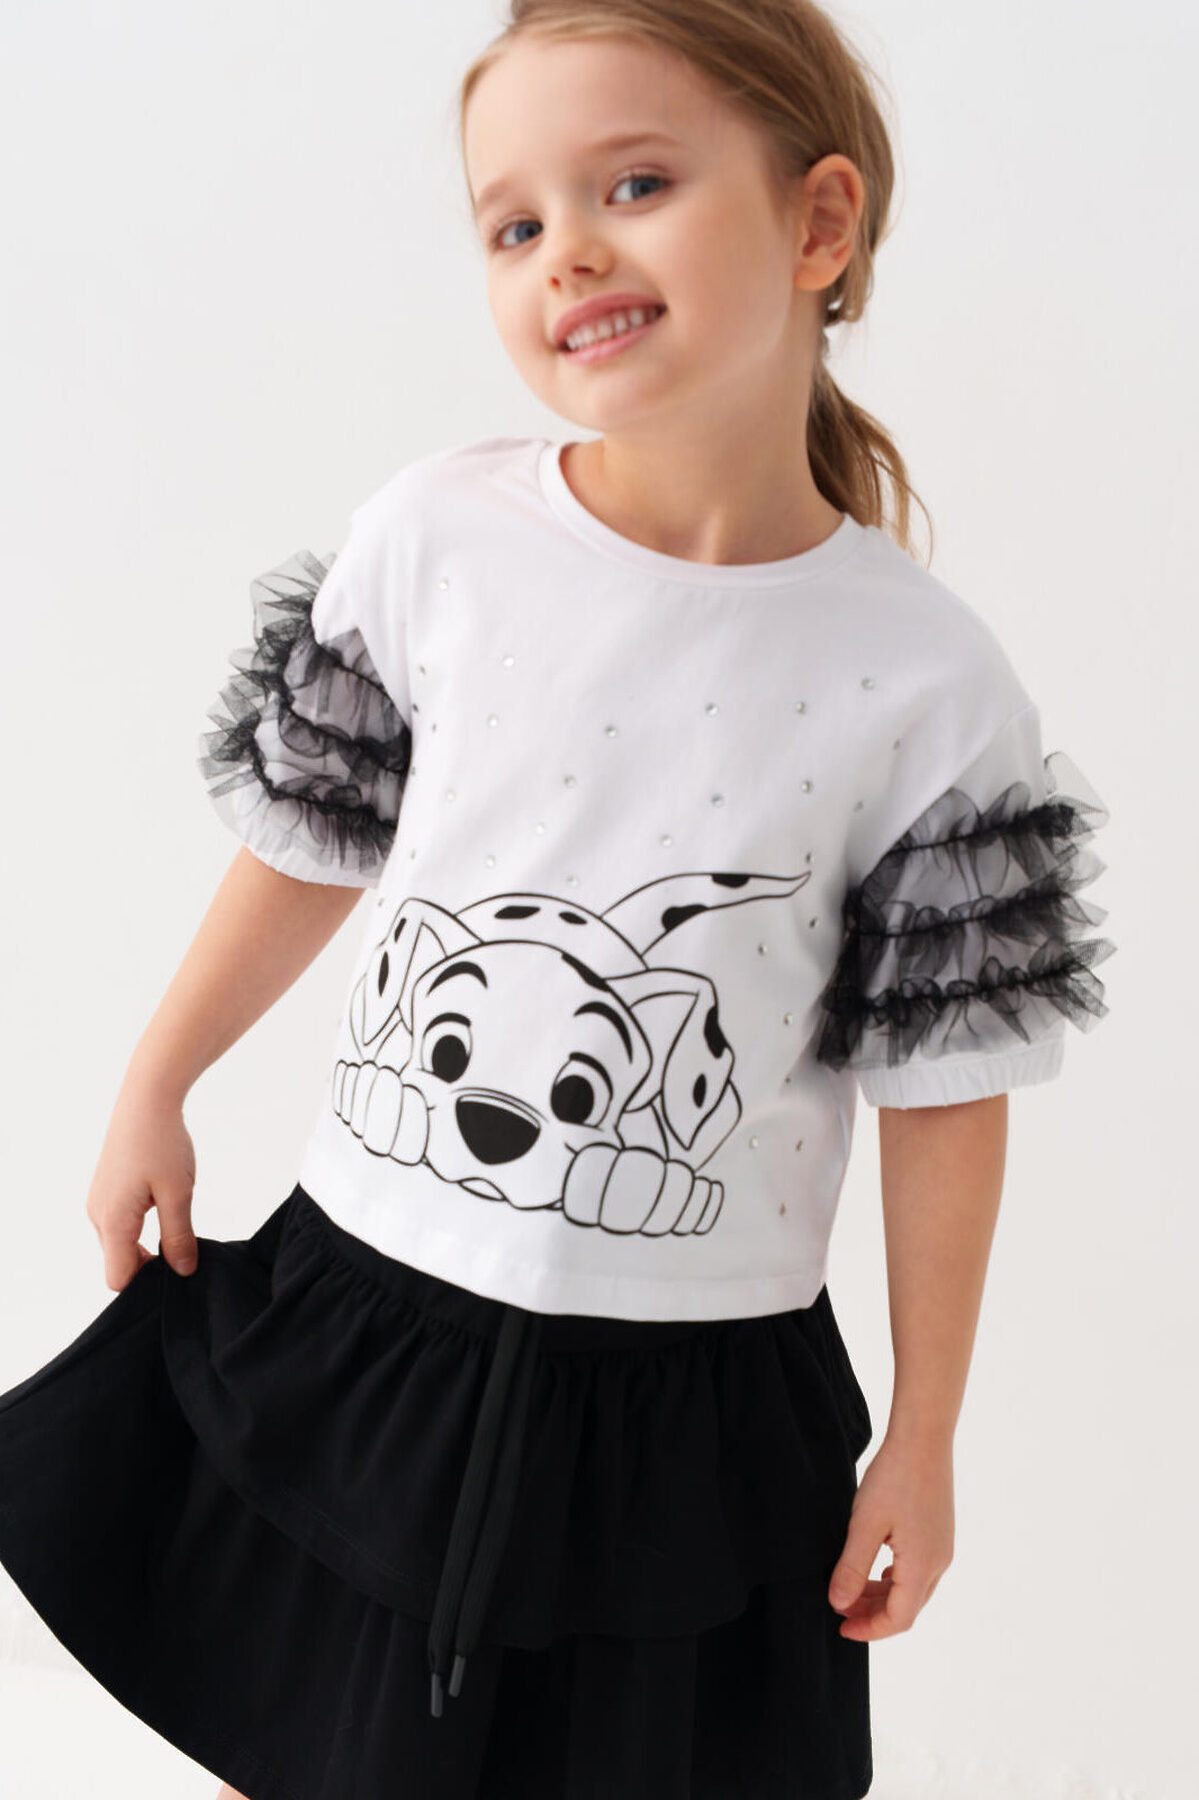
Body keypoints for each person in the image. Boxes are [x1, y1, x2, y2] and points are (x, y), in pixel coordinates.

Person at [0, 2, 1116, 1797]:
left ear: (819, 222)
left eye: (636, 184)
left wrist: (926, 1431)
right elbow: (310, 841)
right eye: (513, 223)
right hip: (374, 1322)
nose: (567, 251)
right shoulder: (439, 542)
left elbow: (945, 1093)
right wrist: (159, 1077)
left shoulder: (929, 686)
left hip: (687, 1412)